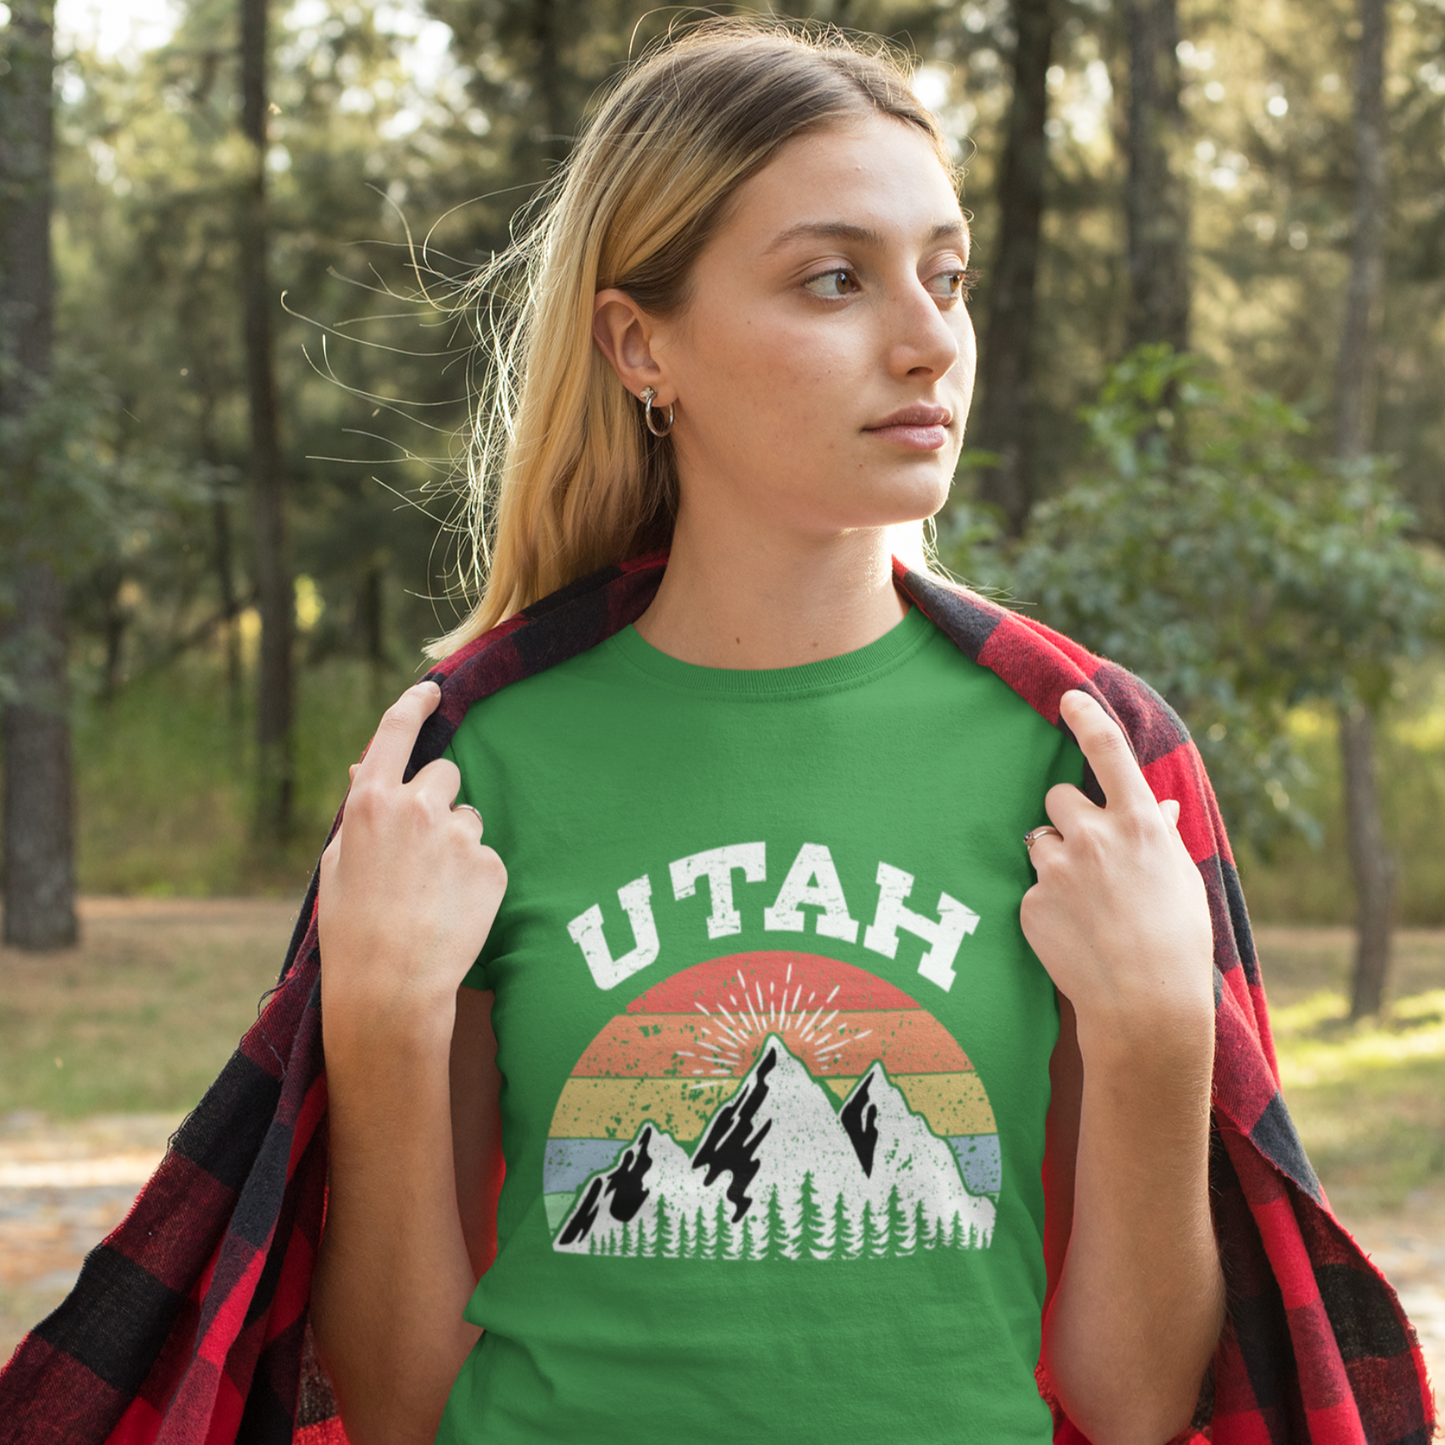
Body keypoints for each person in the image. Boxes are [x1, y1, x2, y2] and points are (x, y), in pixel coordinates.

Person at [309, 22, 1226, 1445]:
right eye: (835, 280)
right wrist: (373, 1026)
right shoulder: (467, 767)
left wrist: (1167, 1031)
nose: (927, 340)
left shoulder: (1079, 761)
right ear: (639, 344)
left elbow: (1135, 1398)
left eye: (947, 276)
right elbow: (395, 1403)